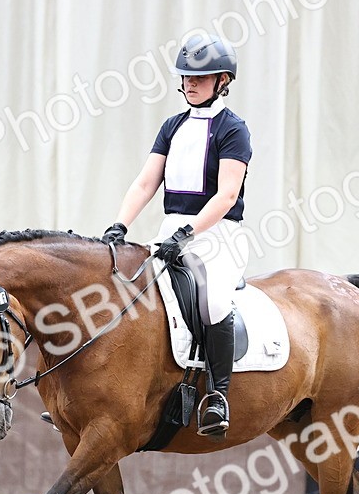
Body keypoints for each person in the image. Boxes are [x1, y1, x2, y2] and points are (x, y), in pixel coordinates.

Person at [101, 34, 251, 436]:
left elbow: (227, 194)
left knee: (214, 302)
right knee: (126, 290)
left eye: (199, 78)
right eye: (185, 76)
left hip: (218, 236)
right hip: (171, 233)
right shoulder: (173, 127)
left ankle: (218, 395)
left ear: (222, 80)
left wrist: (188, 232)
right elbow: (146, 183)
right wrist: (121, 224)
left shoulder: (233, 129)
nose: (189, 83)